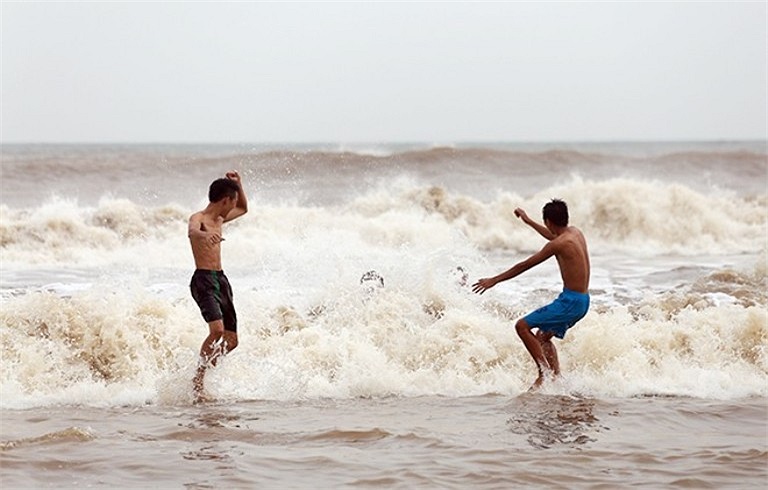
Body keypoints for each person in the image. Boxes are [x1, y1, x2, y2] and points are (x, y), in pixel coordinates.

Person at [472, 199, 590, 390]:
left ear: (548, 221)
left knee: (522, 326)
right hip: (582, 300)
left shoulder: (558, 244)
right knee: (542, 337)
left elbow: (524, 265)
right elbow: (552, 235)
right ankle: (556, 379)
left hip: (570, 302)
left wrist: (494, 280)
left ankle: (544, 374)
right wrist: (528, 221)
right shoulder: (575, 233)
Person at [188, 171, 248, 402]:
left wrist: (238, 185)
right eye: (233, 200)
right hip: (203, 280)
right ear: (225, 200)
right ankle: (197, 381)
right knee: (217, 331)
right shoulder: (199, 218)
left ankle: (204, 371)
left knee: (232, 341)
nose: (233, 205)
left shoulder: (221, 220)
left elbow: (243, 209)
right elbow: (192, 231)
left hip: (221, 280)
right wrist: (204, 236)